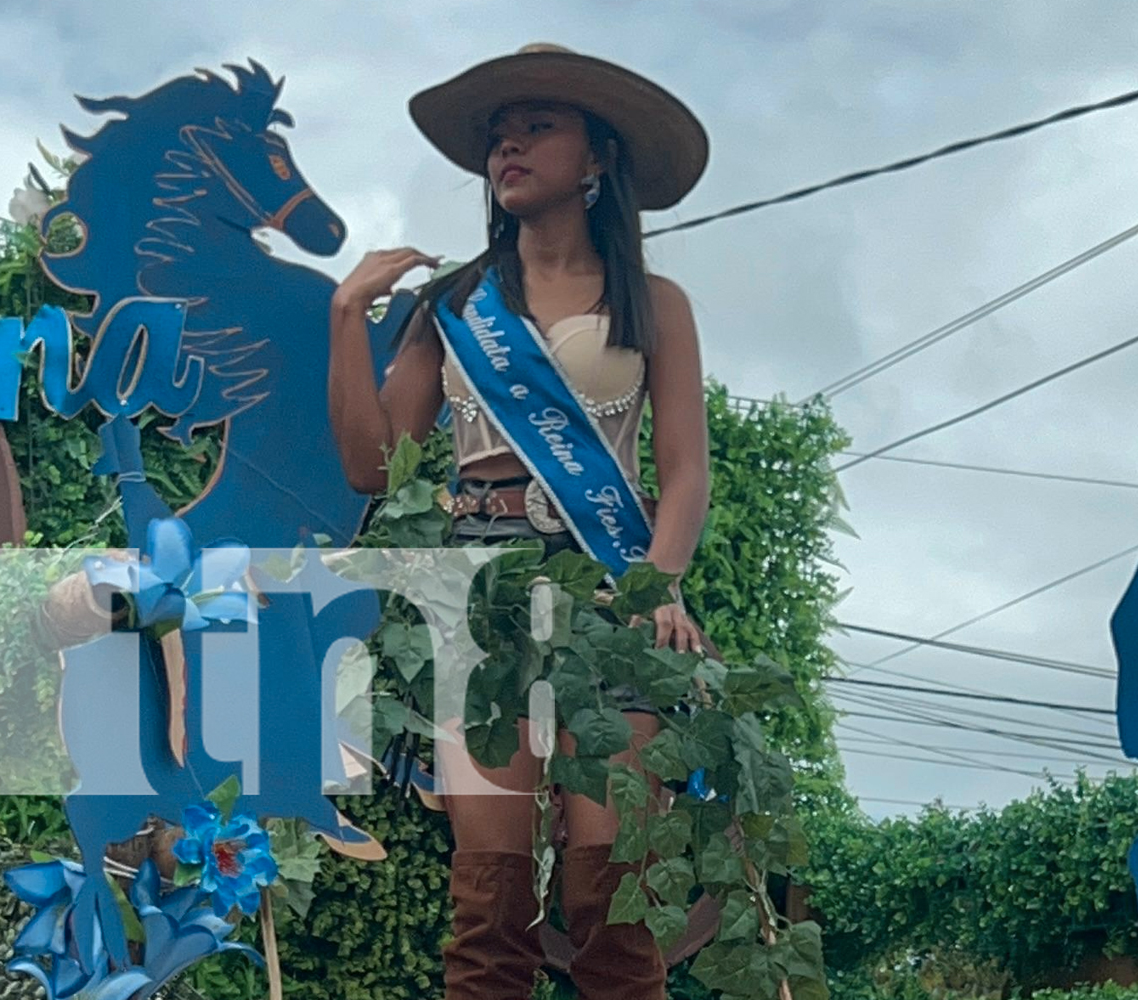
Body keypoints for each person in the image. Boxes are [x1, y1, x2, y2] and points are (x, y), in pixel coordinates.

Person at [327, 42, 712, 1000]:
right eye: (500, 132)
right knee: (487, 900)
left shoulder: (656, 304)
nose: (509, 145)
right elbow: (373, 466)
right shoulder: (453, 307)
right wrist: (345, 317)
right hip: (479, 593)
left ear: (598, 158)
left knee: (611, 882)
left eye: (538, 126)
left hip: (608, 584)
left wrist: (655, 587)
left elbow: (685, 471)